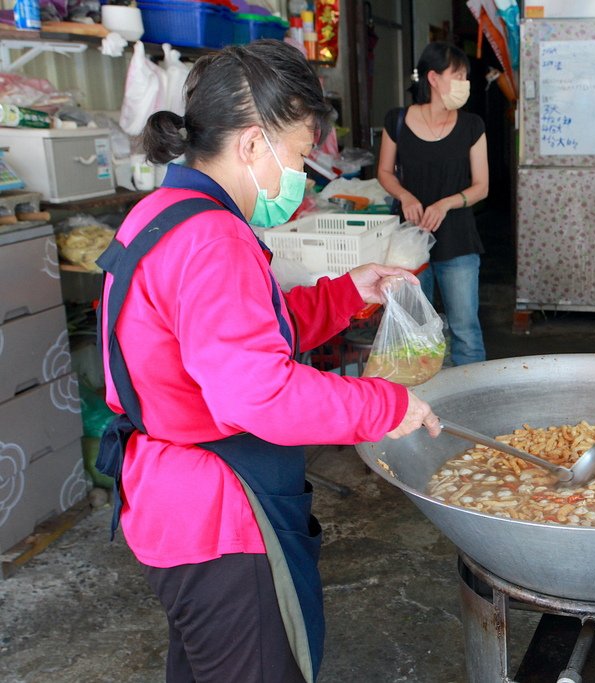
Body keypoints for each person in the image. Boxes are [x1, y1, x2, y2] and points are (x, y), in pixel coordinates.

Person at [94, 40, 441, 683]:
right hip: (219, 514)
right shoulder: (213, 238)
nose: (304, 176)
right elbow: (258, 394)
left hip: (170, 501)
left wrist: (344, 293)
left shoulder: (162, 213)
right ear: (253, 145)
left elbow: (230, 338)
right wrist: (385, 404)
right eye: (300, 155)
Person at [376, 42, 489, 366]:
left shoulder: (472, 126)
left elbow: (482, 187)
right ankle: (423, 405)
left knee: (465, 328)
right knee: (415, 329)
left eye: (466, 76)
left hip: (459, 240)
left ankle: (473, 406)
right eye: (458, 75)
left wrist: (446, 204)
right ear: (434, 78)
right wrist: (406, 196)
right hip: (410, 243)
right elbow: (384, 172)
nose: (465, 82)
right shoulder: (396, 120)